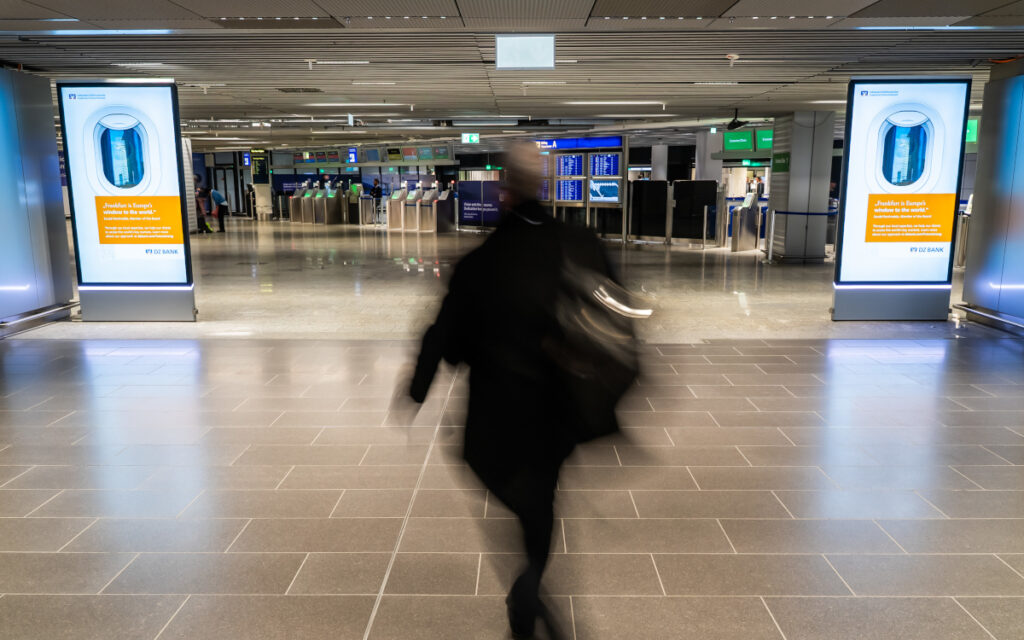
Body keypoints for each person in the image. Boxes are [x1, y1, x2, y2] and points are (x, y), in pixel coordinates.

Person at [409, 143, 621, 639]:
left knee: (517, 494)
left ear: (504, 191)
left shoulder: (481, 262)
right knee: (541, 498)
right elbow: (612, 315)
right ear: (542, 185)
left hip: (495, 413)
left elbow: (447, 338)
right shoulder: (578, 244)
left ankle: (527, 590)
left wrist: (418, 387)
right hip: (556, 409)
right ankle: (529, 584)